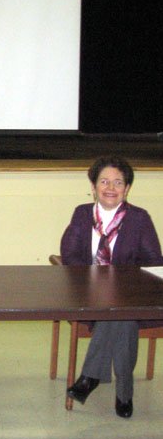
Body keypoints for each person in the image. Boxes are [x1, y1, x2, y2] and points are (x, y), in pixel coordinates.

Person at [62, 157, 163, 418]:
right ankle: (124, 394)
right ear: (94, 187)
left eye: (118, 182)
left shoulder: (139, 218)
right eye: (104, 181)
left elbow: (155, 263)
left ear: (127, 189)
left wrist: (124, 286)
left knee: (121, 312)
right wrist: (93, 281)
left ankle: (90, 377)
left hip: (131, 297)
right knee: (121, 316)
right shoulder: (82, 214)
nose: (110, 188)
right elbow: (70, 255)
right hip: (88, 295)